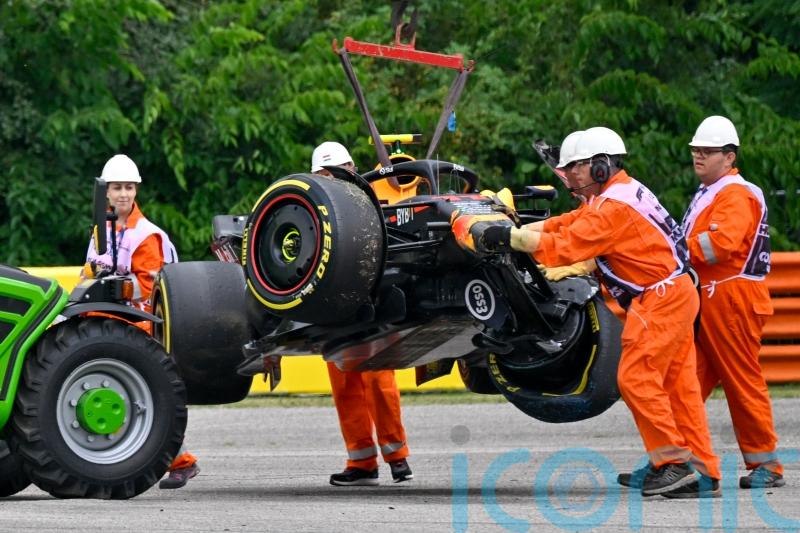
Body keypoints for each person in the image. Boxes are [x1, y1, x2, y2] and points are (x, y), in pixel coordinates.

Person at [454, 127, 722, 498]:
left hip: (659, 299)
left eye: (575, 167)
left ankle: (673, 463)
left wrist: (507, 238)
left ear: (600, 166)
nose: (569, 176)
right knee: (679, 387)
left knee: (636, 378)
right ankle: (701, 469)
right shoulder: (616, 194)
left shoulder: (613, 208)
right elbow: (566, 223)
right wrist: (513, 226)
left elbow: (566, 244)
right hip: (672, 294)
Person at [83, 154, 199, 490]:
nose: (123, 194)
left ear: (136, 191)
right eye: (117, 187)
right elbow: (88, 272)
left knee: (144, 402)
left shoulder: (147, 235)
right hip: (106, 324)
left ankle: (182, 461)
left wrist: (112, 283)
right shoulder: (100, 230)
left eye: (129, 187)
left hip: (140, 328)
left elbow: (148, 290)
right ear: (106, 192)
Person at [682, 116, 783, 489]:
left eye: (707, 151)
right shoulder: (711, 192)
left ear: (729, 157)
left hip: (731, 299)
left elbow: (720, 244)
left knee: (741, 383)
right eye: (696, 150)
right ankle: (680, 463)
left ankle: (767, 465)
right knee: (686, 384)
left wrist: (674, 251)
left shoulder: (735, 194)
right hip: (711, 298)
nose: (699, 156)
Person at [310, 142, 413, 486]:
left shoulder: (371, 204)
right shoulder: (312, 214)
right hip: (335, 312)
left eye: (339, 172)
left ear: (352, 170)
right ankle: (362, 461)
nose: (333, 179)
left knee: (379, 381)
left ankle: (397, 457)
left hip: (372, 308)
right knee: (345, 388)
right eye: (325, 175)